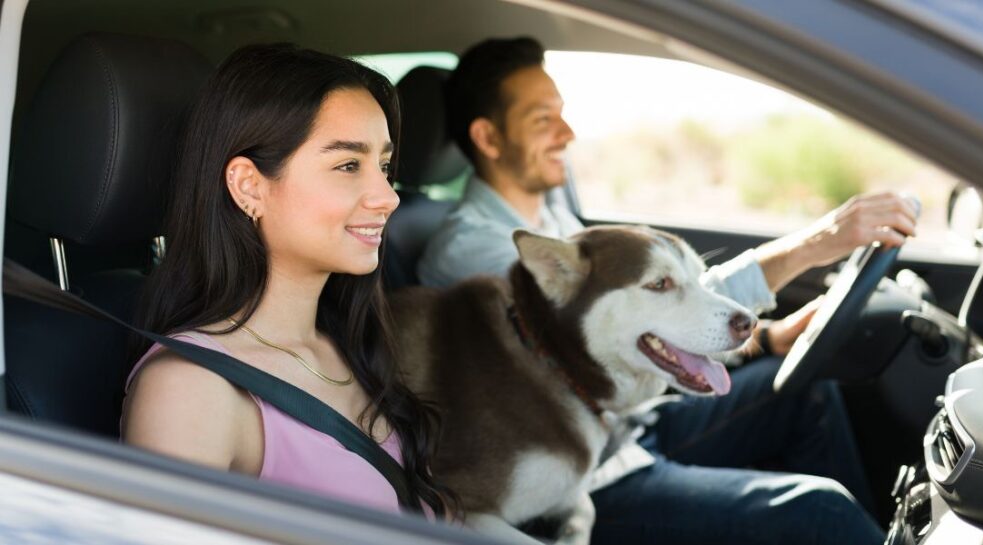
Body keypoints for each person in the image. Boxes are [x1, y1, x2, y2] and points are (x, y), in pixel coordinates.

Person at [419, 37, 919, 544]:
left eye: (564, 115)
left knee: (811, 392)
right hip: (586, 468)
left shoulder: (550, 216)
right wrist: (813, 246)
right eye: (543, 119)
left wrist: (764, 338)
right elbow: (624, 322)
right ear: (488, 137)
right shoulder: (477, 251)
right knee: (818, 511)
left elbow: (651, 309)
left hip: (635, 421)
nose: (568, 133)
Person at [121, 44, 457, 518]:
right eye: (347, 165)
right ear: (248, 186)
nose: (387, 197)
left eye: (383, 167)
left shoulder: (347, 342)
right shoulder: (192, 390)